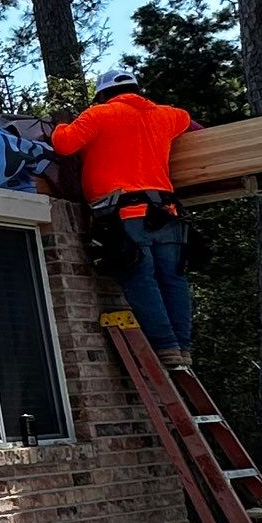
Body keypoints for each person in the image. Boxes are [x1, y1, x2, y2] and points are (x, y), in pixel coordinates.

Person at [54, 64, 197, 368]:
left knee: (140, 277)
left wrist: (61, 124)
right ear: (135, 90)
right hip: (165, 211)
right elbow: (191, 123)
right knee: (173, 278)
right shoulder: (167, 115)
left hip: (126, 214)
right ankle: (183, 347)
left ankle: (167, 348)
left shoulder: (99, 114)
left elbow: (64, 144)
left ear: (104, 94)